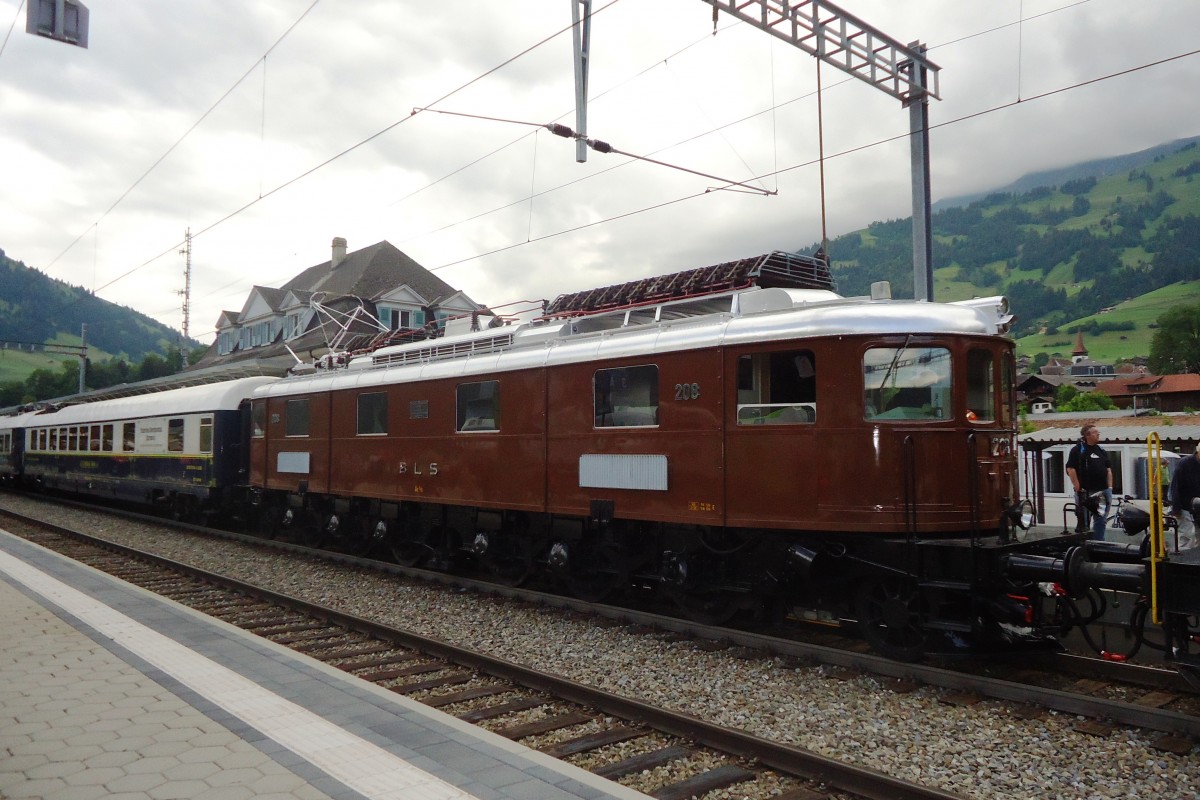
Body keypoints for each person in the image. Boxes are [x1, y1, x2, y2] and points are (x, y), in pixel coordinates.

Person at [1065, 423, 1112, 541]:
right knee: (1084, 521)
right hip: (1086, 492)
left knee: (1101, 520)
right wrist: (1078, 487)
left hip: (1103, 491)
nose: (1098, 434)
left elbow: (1108, 469)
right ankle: (1084, 544)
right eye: (1096, 432)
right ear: (1087, 435)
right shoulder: (1078, 450)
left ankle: (1099, 543)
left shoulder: (1101, 450)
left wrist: (1110, 487)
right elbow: (1070, 469)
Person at [1169, 443, 1200, 551]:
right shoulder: (1184, 464)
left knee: (1197, 539)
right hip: (1184, 507)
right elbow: (1175, 486)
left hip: (1197, 508)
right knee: (1188, 538)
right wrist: (1176, 509)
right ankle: (1179, 561)